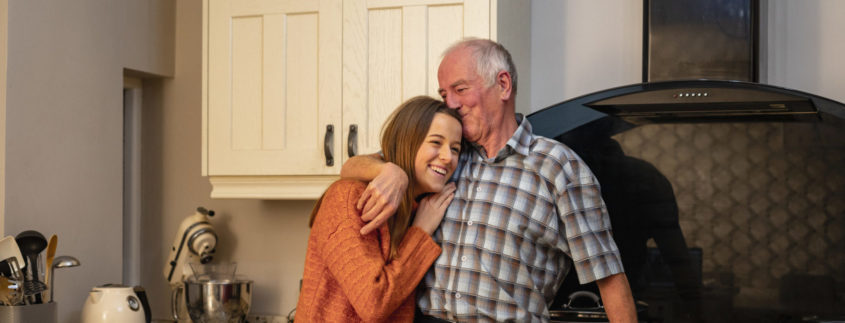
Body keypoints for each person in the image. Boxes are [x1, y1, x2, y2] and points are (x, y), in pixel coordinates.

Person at [341, 38, 638, 322]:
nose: (450, 104)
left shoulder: (559, 168)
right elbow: (350, 167)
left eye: (460, 89)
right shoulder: (443, 156)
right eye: (444, 94)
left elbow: (609, 276)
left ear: (503, 85)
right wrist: (389, 170)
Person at [295, 96, 464, 322]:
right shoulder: (348, 198)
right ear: (407, 142)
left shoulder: (418, 206)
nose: (447, 157)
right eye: (435, 142)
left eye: (455, 149)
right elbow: (373, 302)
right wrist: (421, 231)